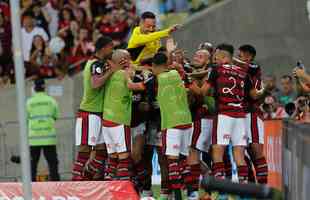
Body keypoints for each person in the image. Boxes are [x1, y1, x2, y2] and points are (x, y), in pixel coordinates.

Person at [72, 36, 116, 181]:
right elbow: (95, 84)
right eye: (111, 47)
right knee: (85, 149)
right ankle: (76, 182)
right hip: (89, 112)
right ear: (103, 48)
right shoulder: (95, 64)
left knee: (102, 150)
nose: (112, 50)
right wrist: (111, 72)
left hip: (99, 113)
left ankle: (86, 179)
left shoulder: (98, 63)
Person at [152, 52, 193, 199]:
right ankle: (191, 194)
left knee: (172, 160)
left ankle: (178, 197)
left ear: (155, 66)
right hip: (187, 121)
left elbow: (137, 83)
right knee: (184, 160)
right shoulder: (176, 74)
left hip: (172, 123)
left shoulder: (158, 79)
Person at [102, 49, 144, 182]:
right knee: (124, 157)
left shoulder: (109, 75)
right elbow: (134, 85)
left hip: (107, 121)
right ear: (124, 60)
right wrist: (149, 84)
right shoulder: (124, 73)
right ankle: (123, 191)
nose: (131, 61)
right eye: (129, 58)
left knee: (112, 157)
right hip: (120, 121)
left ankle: (108, 188)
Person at [238, 44, 268, 184]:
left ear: (249, 57)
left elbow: (255, 95)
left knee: (255, 149)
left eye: (241, 55)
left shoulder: (254, 68)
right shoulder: (238, 71)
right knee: (243, 152)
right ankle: (250, 187)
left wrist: (227, 58)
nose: (238, 58)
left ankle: (263, 187)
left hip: (252, 114)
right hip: (239, 115)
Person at [26, 79, 60, 181]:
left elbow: (26, 118)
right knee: (52, 163)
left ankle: (31, 185)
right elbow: (56, 116)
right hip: (49, 138)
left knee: (32, 164)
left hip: (34, 138)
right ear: (44, 88)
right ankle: (55, 183)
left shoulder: (29, 102)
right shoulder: (51, 101)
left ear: (34, 88)